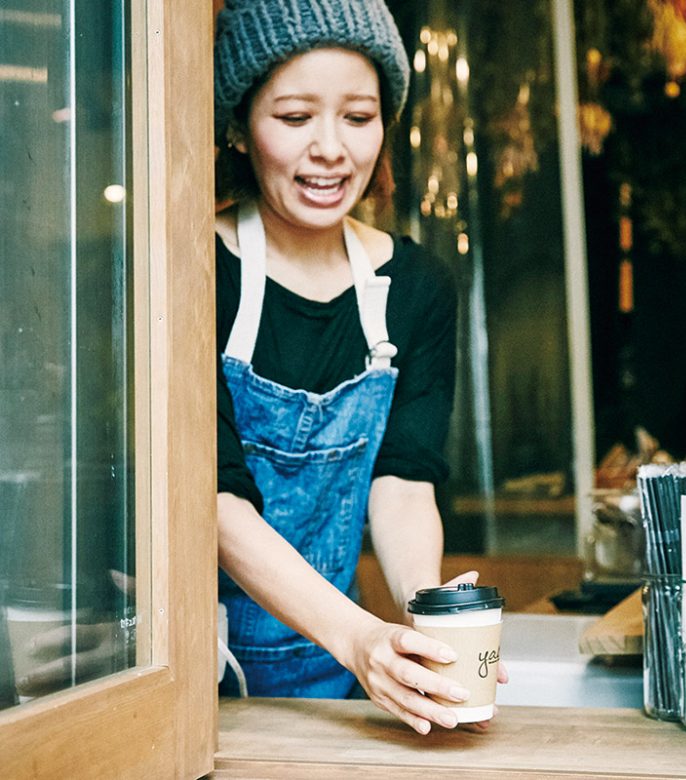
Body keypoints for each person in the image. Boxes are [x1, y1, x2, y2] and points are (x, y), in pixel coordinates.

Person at [213, 0, 504, 735]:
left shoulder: (417, 290)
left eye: (358, 115)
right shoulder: (191, 269)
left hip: (336, 691)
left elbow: (403, 482)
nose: (331, 150)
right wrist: (357, 634)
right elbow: (208, 501)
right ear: (238, 129)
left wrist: (423, 616)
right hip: (196, 679)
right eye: (294, 117)